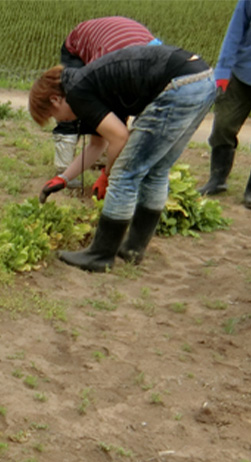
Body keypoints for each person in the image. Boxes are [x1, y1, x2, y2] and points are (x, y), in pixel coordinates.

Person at [29, 44, 217, 272]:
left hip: (178, 86)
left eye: (53, 117)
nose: (60, 123)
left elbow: (119, 138)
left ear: (55, 100)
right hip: (203, 79)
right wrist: (64, 178)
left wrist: (107, 175)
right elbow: (99, 144)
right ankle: (133, 249)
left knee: (126, 174)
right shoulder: (88, 84)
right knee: (156, 170)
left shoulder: (78, 92)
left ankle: (100, 255)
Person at [48, 16, 161, 199]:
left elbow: (121, 117)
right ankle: (64, 164)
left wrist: (109, 170)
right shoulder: (108, 64)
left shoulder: (153, 71)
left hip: (125, 50)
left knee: (108, 116)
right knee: (73, 102)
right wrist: (66, 177)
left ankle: (103, 157)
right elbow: (100, 110)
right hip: (81, 47)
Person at [202, 0, 251, 208]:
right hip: (242, 73)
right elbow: (234, 32)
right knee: (223, 125)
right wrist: (223, 71)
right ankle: (217, 180)